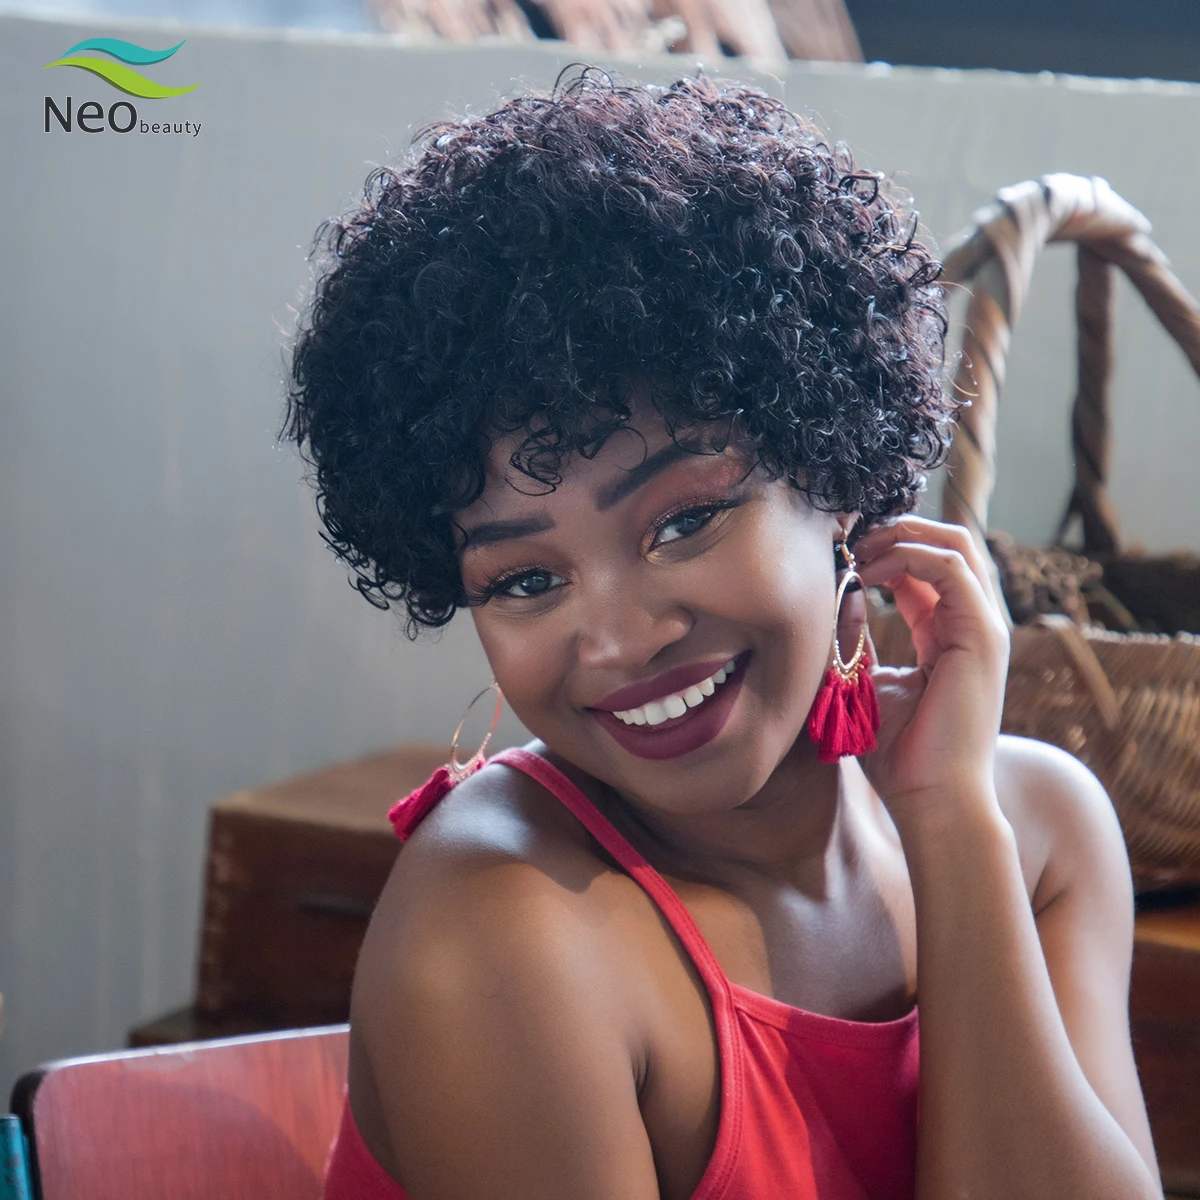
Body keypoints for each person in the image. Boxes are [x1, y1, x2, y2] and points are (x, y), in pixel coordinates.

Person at [283, 66, 1163, 1200]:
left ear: (837, 481)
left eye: (684, 521)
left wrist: (952, 825)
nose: (617, 640)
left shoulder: (1037, 830)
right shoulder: (508, 932)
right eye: (527, 578)